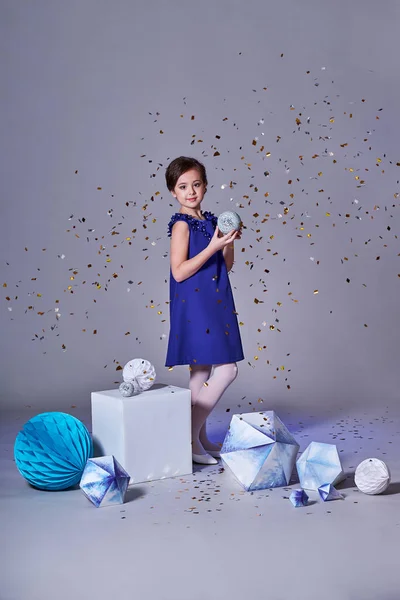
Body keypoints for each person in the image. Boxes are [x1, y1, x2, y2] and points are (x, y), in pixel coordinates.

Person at [165, 156, 245, 465]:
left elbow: (224, 266)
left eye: (196, 184)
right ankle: (189, 434)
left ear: (205, 186)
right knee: (228, 368)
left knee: (201, 370)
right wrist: (212, 247)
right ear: (173, 192)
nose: (190, 192)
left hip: (215, 299)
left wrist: (228, 242)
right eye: (183, 187)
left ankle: (199, 440)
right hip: (195, 304)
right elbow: (179, 272)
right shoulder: (182, 225)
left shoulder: (211, 221)